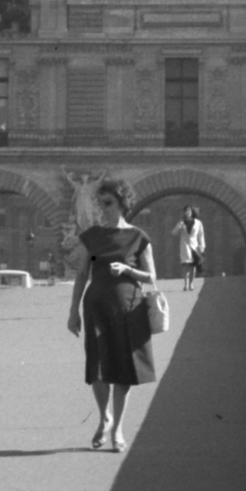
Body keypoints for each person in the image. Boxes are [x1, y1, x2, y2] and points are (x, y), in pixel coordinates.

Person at [67, 176, 156, 453]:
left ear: (122, 204)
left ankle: (117, 428)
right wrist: (73, 312)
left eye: (107, 203)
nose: (102, 208)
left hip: (128, 309)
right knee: (96, 367)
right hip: (96, 308)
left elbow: (152, 277)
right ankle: (104, 416)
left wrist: (127, 270)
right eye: (100, 203)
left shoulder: (138, 237)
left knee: (122, 370)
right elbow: (82, 274)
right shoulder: (93, 237)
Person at [172, 205, 206, 291]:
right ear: (184, 212)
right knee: (186, 265)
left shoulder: (198, 223)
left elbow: (201, 235)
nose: (187, 212)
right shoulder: (181, 222)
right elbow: (174, 233)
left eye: (189, 211)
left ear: (192, 212)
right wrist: (178, 226)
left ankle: (191, 283)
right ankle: (186, 284)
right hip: (185, 245)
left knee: (193, 266)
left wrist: (202, 246)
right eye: (186, 211)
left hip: (195, 246)